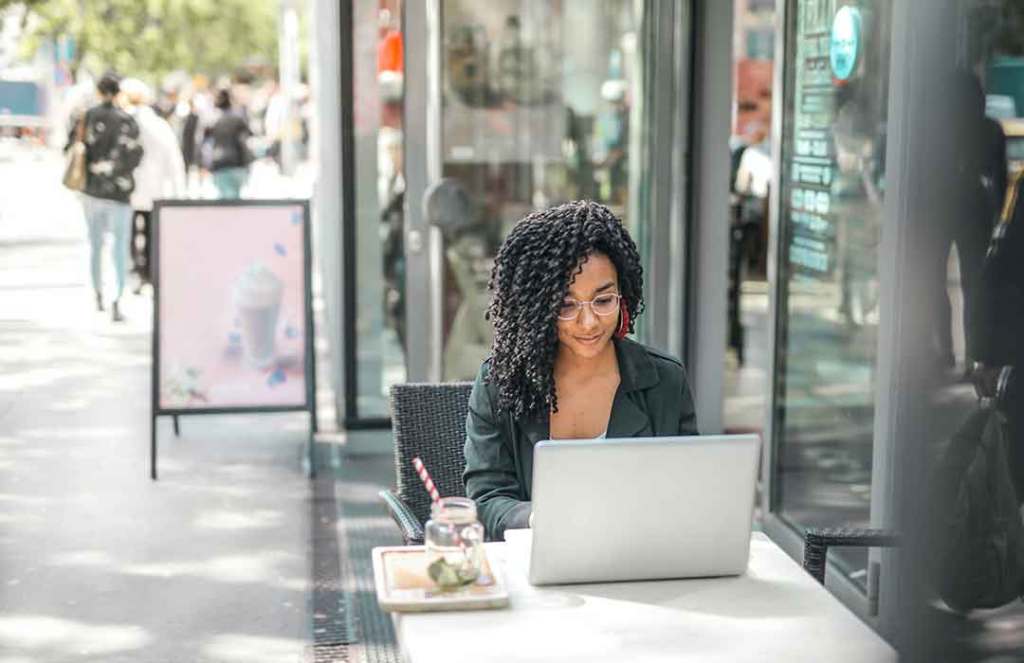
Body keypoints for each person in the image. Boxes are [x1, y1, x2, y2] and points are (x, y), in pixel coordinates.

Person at [462, 200, 699, 541]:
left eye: (603, 301)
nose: (588, 323)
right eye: (566, 305)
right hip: (538, 564)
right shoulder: (500, 383)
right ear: (537, 309)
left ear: (624, 297)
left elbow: (688, 494)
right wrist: (539, 518)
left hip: (641, 560)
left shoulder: (665, 381)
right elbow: (486, 500)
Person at [77, 71, 144, 322]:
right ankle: (117, 297)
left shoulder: (88, 117)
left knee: (95, 245)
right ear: (119, 93)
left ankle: (97, 292)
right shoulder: (127, 120)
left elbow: (74, 148)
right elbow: (136, 155)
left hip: (92, 190)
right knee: (119, 248)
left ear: (98, 91)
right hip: (120, 192)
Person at [121, 78, 186, 291]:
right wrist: (178, 189)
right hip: (154, 187)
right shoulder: (158, 124)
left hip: (128, 187)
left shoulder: (125, 121)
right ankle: (148, 271)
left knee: (130, 231)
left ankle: (135, 270)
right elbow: (173, 158)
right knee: (150, 230)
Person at [204, 88, 252, 199]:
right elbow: (245, 141)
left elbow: (206, 145)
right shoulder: (238, 119)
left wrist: (205, 164)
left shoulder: (212, 120)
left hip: (220, 164)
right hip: (236, 164)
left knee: (224, 201)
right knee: (234, 200)